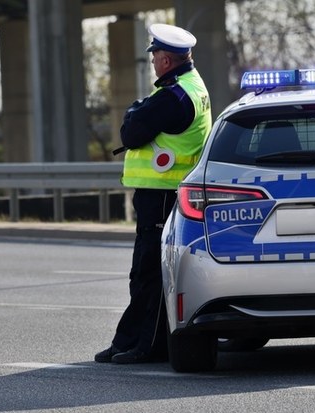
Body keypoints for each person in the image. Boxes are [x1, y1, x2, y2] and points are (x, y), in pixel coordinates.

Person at [95, 23, 212, 364]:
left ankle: (149, 346)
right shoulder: (192, 86)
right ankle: (128, 339)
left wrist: (134, 110)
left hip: (161, 194)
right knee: (146, 273)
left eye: (155, 57)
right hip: (164, 195)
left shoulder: (174, 95)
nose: (153, 63)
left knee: (150, 273)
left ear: (164, 60)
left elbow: (131, 132)